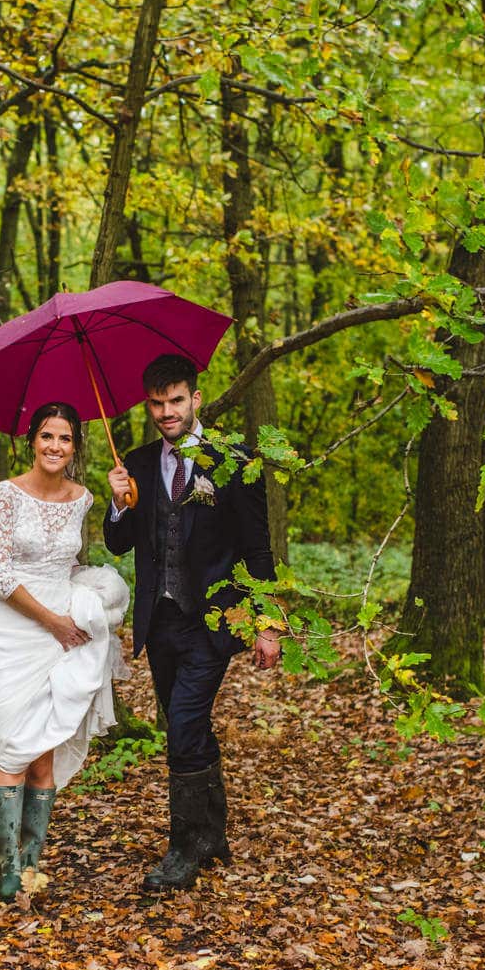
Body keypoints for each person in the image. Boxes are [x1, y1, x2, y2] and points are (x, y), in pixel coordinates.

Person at [104, 353, 279, 893]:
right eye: (156, 403)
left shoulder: (234, 459)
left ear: (195, 399)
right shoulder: (134, 463)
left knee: (180, 726)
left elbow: (257, 547)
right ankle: (213, 834)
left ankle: (183, 847)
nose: (165, 412)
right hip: (160, 623)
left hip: (212, 623)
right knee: (191, 725)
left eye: (175, 401)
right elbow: (119, 543)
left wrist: (267, 624)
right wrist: (117, 504)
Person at [0, 402, 131, 901]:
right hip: (10, 631)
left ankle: (33, 862)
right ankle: (7, 867)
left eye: (64, 438)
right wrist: (54, 621)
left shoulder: (82, 498)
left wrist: (121, 502)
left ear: (76, 445)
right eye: (46, 436)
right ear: (32, 442)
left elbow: (78, 560)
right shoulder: (6, 495)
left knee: (43, 755)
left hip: (61, 635)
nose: (55, 446)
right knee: (13, 745)